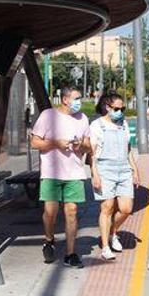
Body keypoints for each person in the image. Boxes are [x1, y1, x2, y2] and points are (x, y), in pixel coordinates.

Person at [30, 86, 91, 269]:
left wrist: (81, 145)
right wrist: (56, 143)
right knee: (51, 212)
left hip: (75, 173)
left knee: (71, 212)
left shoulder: (82, 119)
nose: (80, 101)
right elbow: (35, 142)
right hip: (52, 173)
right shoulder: (48, 116)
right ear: (65, 99)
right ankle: (49, 239)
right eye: (77, 98)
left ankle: (70, 253)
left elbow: (89, 146)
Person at [90, 91, 140, 260]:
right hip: (105, 169)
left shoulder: (124, 124)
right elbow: (92, 154)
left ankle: (113, 232)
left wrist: (135, 170)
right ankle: (105, 246)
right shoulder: (97, 125)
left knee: (126, 208)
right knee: (107, 207)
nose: (120, 111)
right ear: (107, 107)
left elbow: (128, 150)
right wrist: (95, 175)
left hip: (124, 169)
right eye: (117, 108)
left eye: (122, 108)